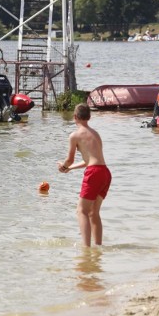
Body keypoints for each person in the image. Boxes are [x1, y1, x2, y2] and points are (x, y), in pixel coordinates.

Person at [57, 103, 112, 248]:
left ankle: (86, 248)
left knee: (81, 211)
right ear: (89, 116)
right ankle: (98, 246)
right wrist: (70, 169)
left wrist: (64, 166)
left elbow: (69, 159)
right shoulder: (95, 134)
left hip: (94, 173)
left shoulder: (74, 135)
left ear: (75, 117)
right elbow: (91, 160)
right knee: (94, 212)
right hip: (105, 172)